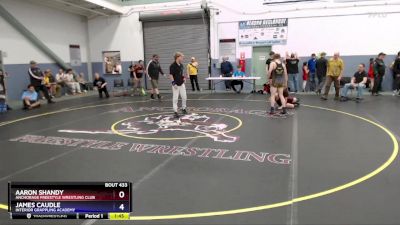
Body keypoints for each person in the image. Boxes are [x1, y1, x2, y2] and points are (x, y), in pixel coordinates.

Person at [169, 52, 187, 119]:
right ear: (178, 57)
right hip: (176, 85)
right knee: (175, 99)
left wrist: (184, 78)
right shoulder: (172, 65)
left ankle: (183, 108)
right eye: (181, 57)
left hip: (182, 84)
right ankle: (175, 112)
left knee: (184, 97)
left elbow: (182, 74)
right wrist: (173, 83)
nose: (182, 58)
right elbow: (171, 75)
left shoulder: (182, 65)